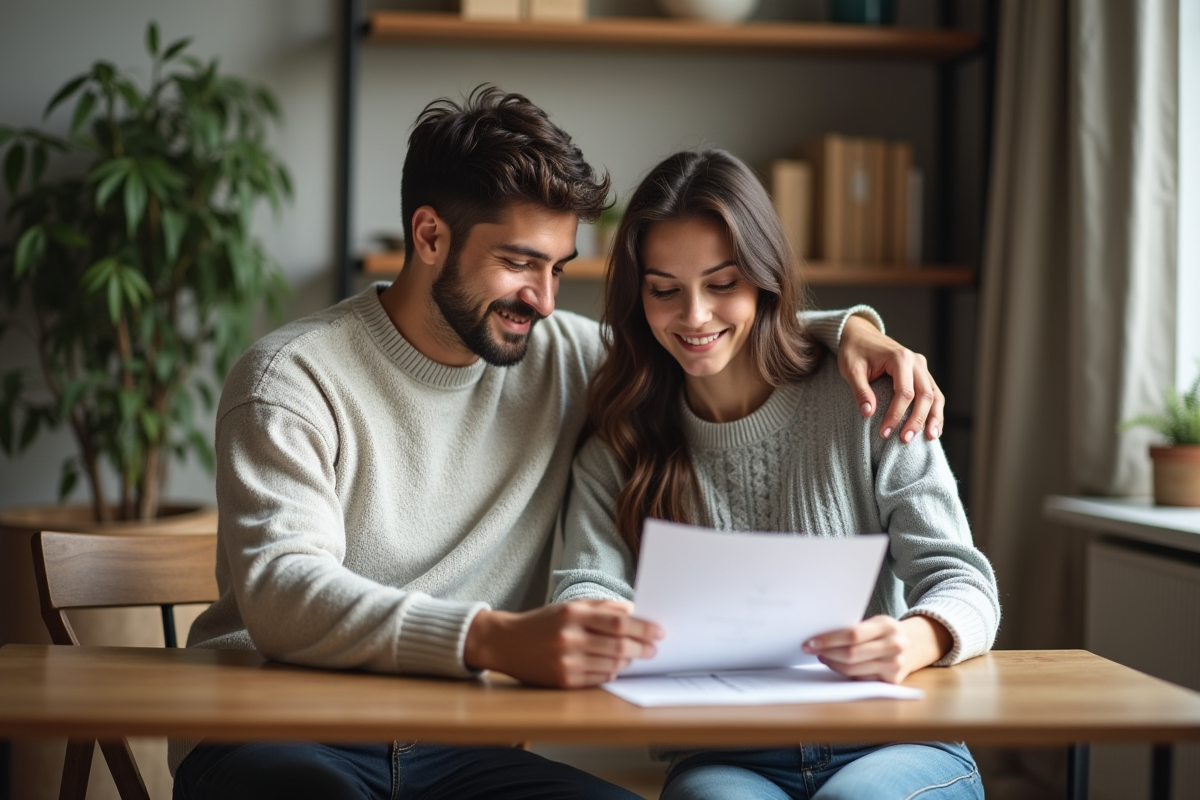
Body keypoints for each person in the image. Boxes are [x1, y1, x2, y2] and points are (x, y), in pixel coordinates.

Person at [171, 87, 951, 800]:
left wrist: (848, 331)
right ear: (430, 235)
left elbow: (700, 336)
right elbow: (283, 592)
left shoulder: (562, 356)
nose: (544, 300)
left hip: (455, 750)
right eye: (519, 264)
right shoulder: (289, 378)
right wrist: (492, 639)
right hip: (278, 733)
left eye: (558, 268)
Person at [551, 148, 1000, 800]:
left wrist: (914, 639)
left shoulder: (866, 397)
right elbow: (582, 588)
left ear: (764, 278)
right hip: (727, 754)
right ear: (638, 296)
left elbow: (964, 582)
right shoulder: (619, 443)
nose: (695, 316)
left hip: (891, 740)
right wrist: (611, 624)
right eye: (664, 290)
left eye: (722, 283)